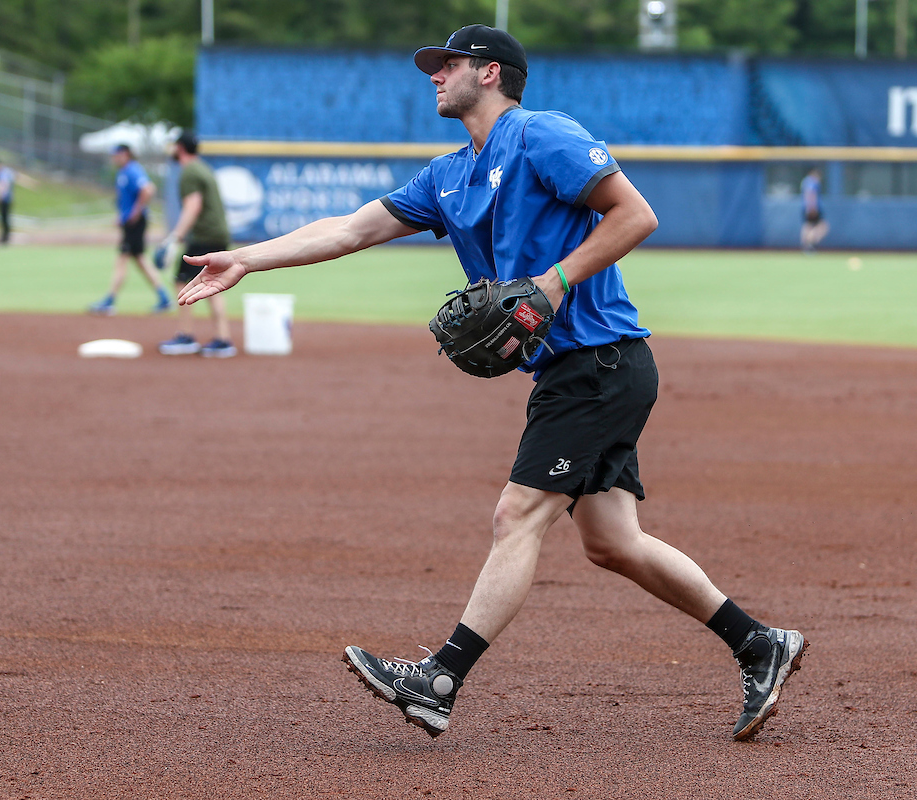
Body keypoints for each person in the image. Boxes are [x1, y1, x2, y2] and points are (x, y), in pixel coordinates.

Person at [177, 25, 806, 740]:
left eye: (446, 65)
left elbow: (636, 214)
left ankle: (439, 680)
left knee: (519, 514)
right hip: (575, 371)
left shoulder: (543, 135)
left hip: (601, 361)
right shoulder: (448, 175)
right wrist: (249, 260)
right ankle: (761, 644)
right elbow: (351, 229)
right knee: (612, 542)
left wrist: (553, 280)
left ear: (491, 71)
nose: (434, 77)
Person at [157, 131, 237, 357]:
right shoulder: (201, 167)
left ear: (180, 148)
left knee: (182, 281)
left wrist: (175, 237)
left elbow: (193, 206)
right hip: (216, 234)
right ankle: (223, 338)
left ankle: (186, 336)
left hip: (205, 235)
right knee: (212, 283)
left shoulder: (189, 171)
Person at [88, 144, 172, 316]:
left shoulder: (132, 170)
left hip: (136, 223)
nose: (114, 158)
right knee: (140, 260)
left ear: (125, 154)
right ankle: (164, 297)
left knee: (122, 259)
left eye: (116, 155)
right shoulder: (123, 172)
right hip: (130, 222)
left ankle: (109, 301)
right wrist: (124, 215)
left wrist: (135, 212)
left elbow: (148, 189)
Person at [800, 167, 829, 253]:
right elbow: (810, 194)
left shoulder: (806, 181)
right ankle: (810, 245)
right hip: (812, 208)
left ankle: (806, 246)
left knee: (808, 227)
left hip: (806, 208)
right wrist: (812, 208)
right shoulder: (812, 181)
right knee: (822, 227)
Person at [0, 159, 15, 245]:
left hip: (4, 199)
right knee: (5, 218)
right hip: (8, 199)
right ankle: (5, 236)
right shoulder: (7, 172)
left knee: (4, 218)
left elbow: (3, 185)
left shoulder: (1, 173)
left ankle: (5, 237)